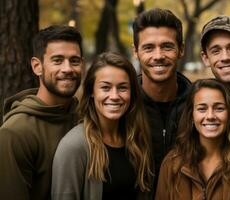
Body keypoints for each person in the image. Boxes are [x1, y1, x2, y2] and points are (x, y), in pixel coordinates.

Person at [51, 52, 153, 199]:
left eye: (122, 88)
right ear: (91, 91)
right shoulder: (74, 146)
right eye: (105, 87)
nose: (114, 96)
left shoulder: (138, 139)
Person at [0, 25, 83, 200]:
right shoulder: (15, 133)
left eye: (74, 60)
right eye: (57, 60)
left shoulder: (85, 117)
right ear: (37, 66)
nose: (68, 68)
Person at [156, 79, 230, 200]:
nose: (210, 116)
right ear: (191, 115)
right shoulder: (172, 164)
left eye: (219, 108)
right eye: (202, 109)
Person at [132, 8, 192, 184]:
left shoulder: (199, 106)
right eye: (148, 48)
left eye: (167, 46)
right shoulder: (122, 106)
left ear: (180, 50)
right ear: (136, 52)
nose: (158, 56)